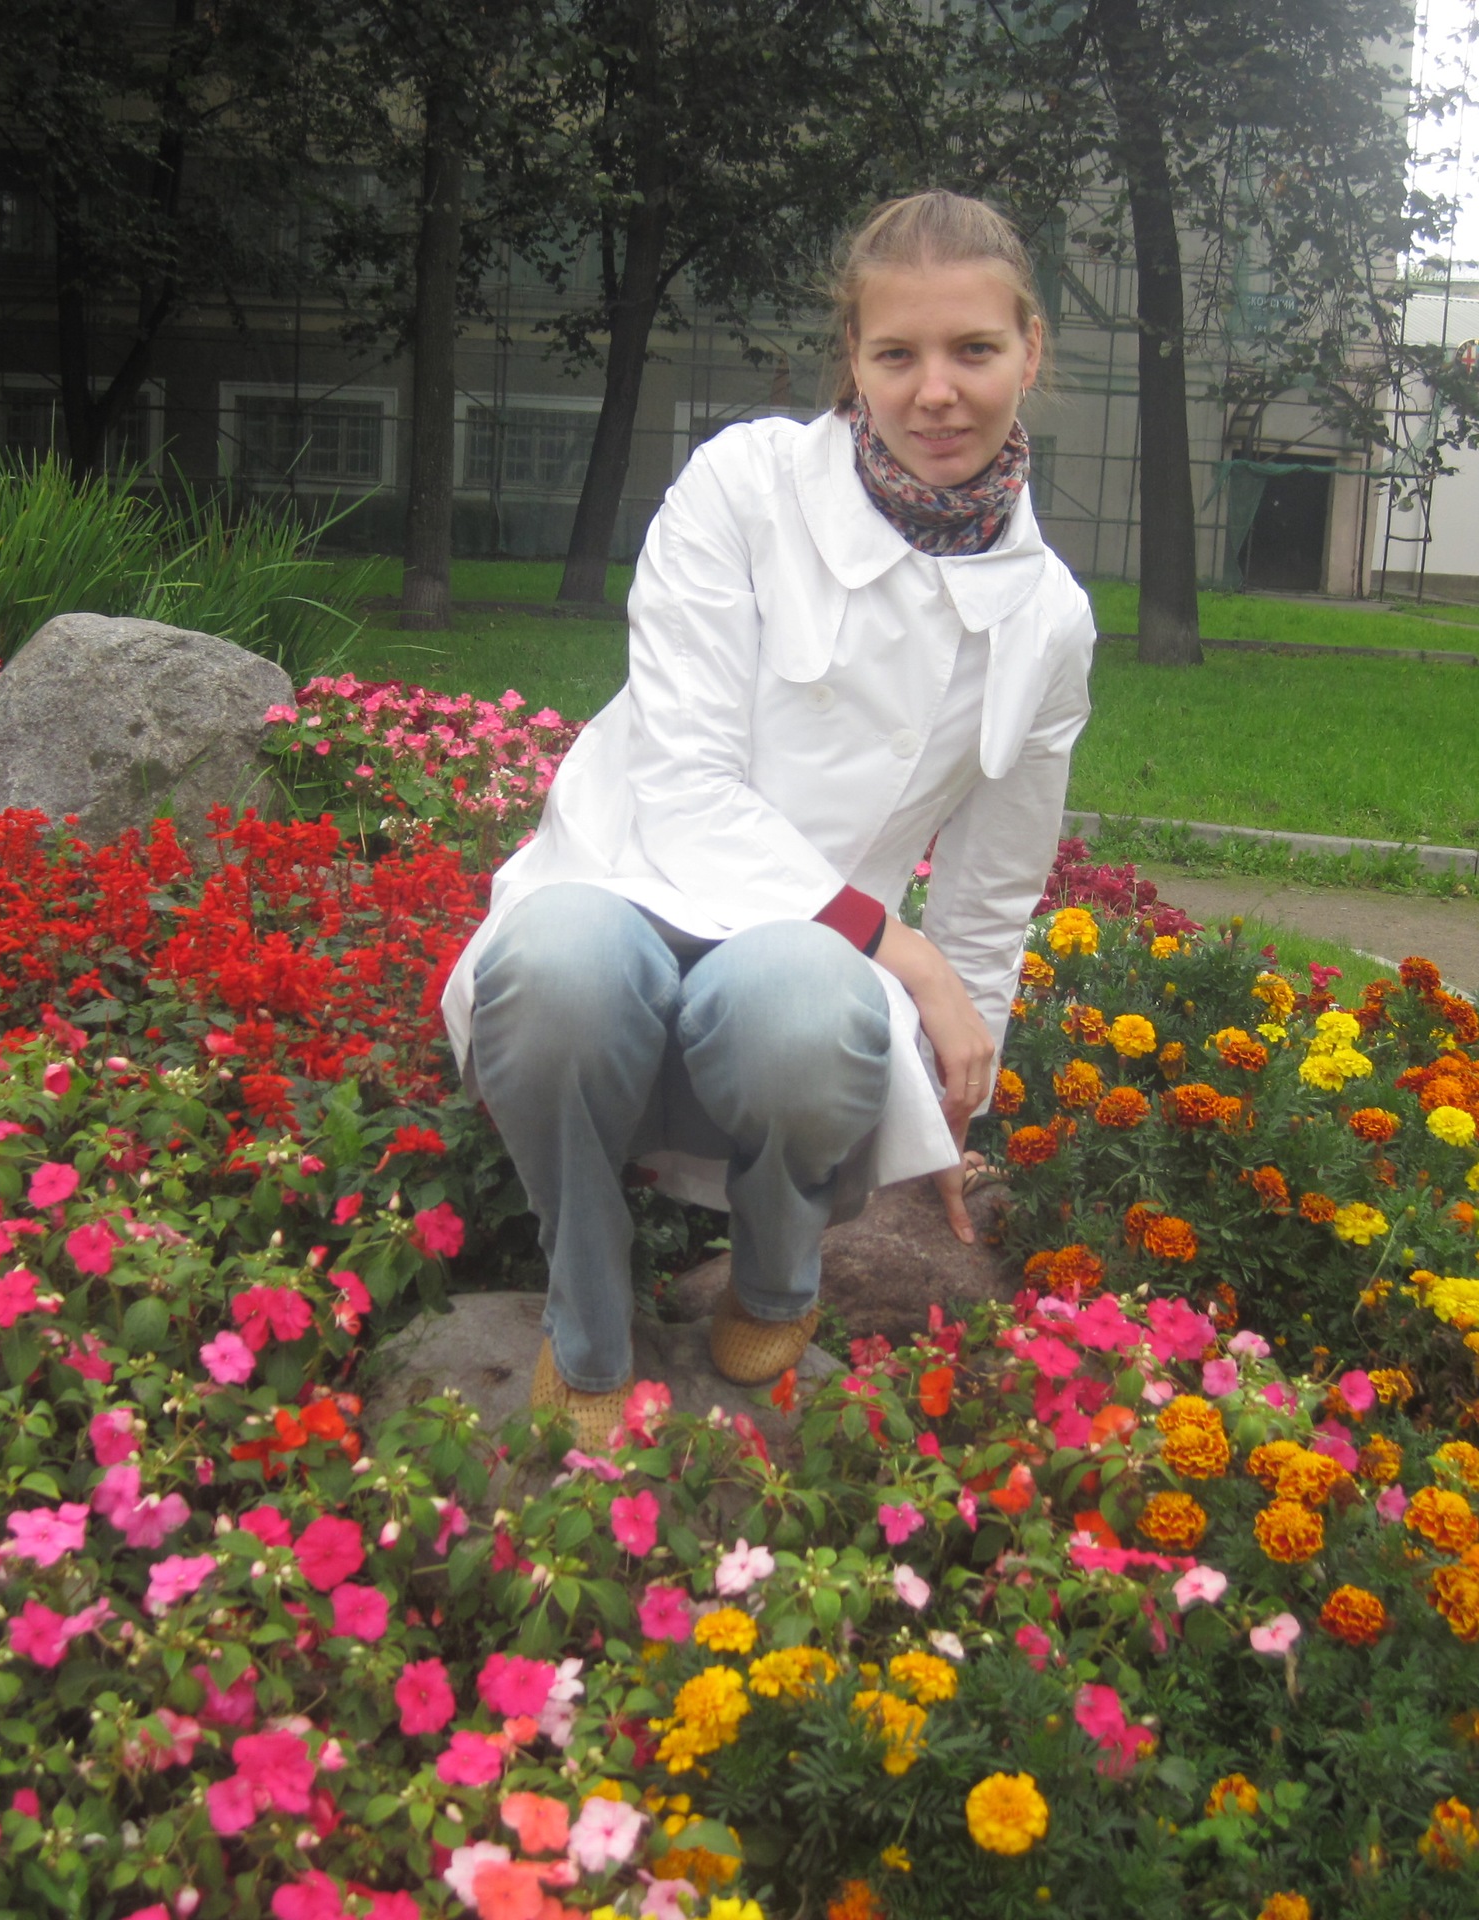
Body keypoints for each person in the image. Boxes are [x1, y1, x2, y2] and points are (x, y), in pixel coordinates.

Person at [439, 190, 1098, 1446]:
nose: (935, 392)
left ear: (1030, 349)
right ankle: (585, 1311)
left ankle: (774, 1275)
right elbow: (683, 786)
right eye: (896, 354)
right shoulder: (744, 484)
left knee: (800, 1001)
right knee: (557, 967)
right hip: (625, 880)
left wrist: (952, 1106)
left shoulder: (1049, 619)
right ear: (852, 356)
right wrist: (900, 952)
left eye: (973, 349)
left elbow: (992, 889)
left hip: (804, 967)